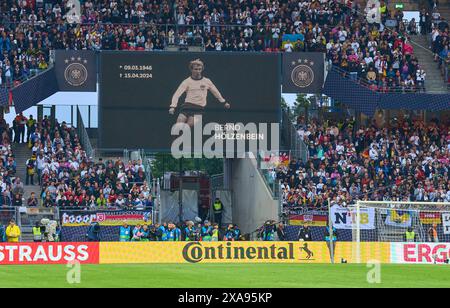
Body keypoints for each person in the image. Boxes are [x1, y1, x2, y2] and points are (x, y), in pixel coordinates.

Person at [169, 59, 230, 128]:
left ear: (202, 69)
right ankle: (174, 138)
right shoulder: (186, 81)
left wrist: (224, 102)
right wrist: (173, 106)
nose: (198, 71)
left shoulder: (207, 81)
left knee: (187, 126)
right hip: (187, 106)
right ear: (191, 70)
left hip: (199, 108)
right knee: (178, 125)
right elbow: (177, 94)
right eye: (195, 69)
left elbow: (216, 92)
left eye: (199, 69)